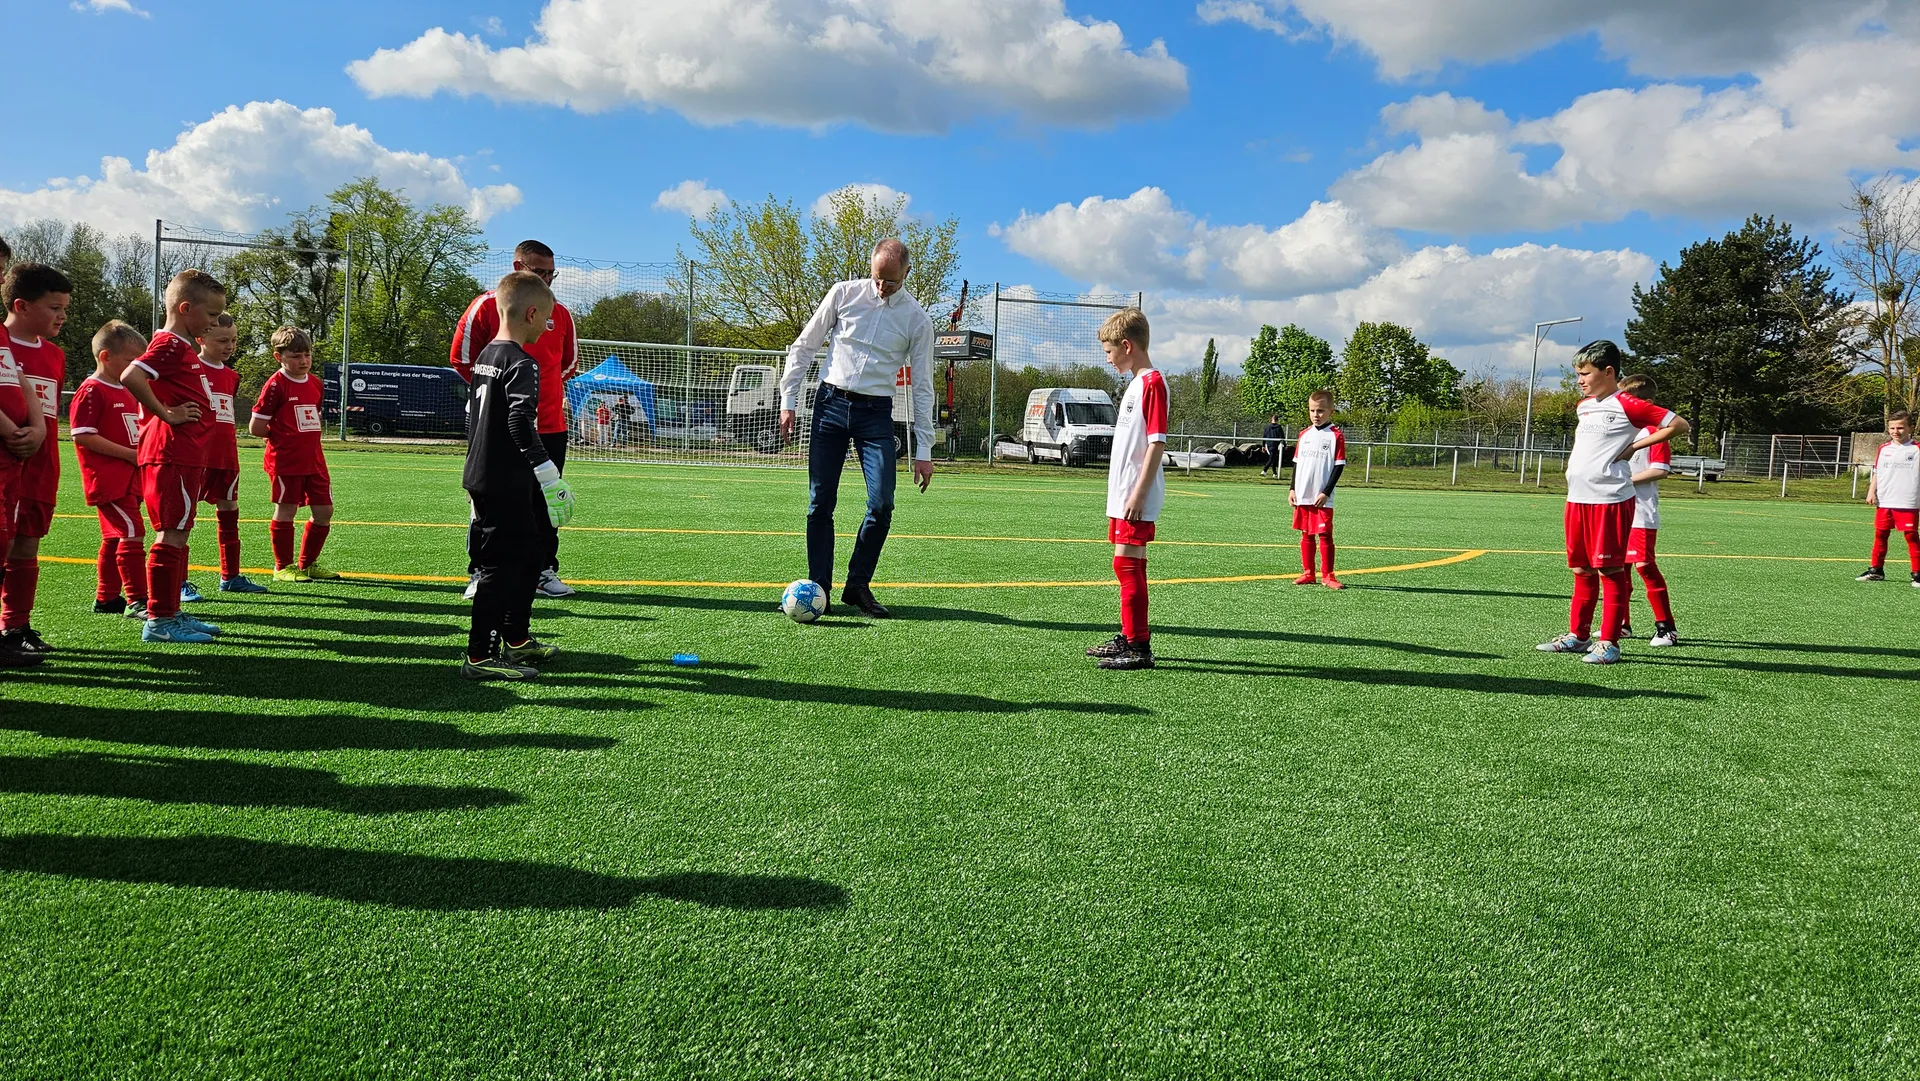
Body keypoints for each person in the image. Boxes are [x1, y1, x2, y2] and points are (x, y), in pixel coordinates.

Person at [778, 238, 935, 618]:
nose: (882, 288)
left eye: (891, 282)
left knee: (882, 503)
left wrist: (924, 450)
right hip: (829, 406)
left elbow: (922, 386)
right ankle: (819, 588)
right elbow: (804, 346)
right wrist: (788, 400)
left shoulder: (917, 320)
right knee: (820, 502)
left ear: (907, 273)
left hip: (876, 415)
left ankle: (857, 585)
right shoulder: (843, 294)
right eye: (877, 278)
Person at [1537, 341, 1688, 665]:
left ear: (1608, 372)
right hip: (1577, 499)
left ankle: (1609, 642)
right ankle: (1578, 636)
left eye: (1585, 373)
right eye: (1578, 374)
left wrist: (1635, 447)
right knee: (1581, 569)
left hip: (1610, 500)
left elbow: (1679, 425)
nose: (1580, 380)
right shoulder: (1584, 406)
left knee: (1610, 569)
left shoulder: (1628, 404)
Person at [461, 270, 575, 681]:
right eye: (546, 319)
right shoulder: (523, 363)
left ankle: (516, 638)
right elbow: (519, 422)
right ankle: (480, 656)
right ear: (531, 314)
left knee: (530, 555)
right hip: (503, 479)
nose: (547, 327)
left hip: (488, 474)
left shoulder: (486, 357)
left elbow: (475, 420)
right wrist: (549, 475)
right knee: (501, 567)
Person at [452, 240, 578, 599]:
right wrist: (498, 398)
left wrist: (538, 392)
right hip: (495, 428)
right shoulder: (485, 306)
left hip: (549, 425)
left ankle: (542, 570)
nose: (546, 279)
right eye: (538, 272)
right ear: (517, 267)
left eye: (551, 273)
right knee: (489, 501)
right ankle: (482, 571)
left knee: (546, 502)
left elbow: (567, 364)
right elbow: (463, 359)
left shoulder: (560, 313)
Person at [120, 269, 228, 644]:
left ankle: (171, 611)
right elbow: (131, 376)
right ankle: (159, 620)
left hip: (185, 455)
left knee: (179, 532)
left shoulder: (182, 346)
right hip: (171, 454)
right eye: (211, 315)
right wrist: (166, 413)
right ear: (185, 309)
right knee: (171, 533)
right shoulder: (169, 344)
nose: (214, 322)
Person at [1084, 308, 1166, 671]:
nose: (1107, 358)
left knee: (1127, 564)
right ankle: (1131, 637)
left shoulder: (1153, 384)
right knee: (1128, 564)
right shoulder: (1135, 384)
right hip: (1123, 493)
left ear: (1127, 345)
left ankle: (1139, 648)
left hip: (1136, 495)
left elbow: (1156, 443)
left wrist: (1138, 493)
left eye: (1109, 351)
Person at [0, 263, 69, 658]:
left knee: (27, 544)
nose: (62, 316)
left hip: (42, 464)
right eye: (54, 308)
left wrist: (39, 433)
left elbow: (46, 412)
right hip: (7, 461)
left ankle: (16, 626)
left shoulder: (55, 355)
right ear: (21, 306)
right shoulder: (2, 344)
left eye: (65, 309)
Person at [69, 321, 152, 620]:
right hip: (107, 479)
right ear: (105, 357)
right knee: (132, 532)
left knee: (115, 537)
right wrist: (130, 455)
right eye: (131, 360)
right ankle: (138, 600)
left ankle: (106, 597)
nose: (136, 367)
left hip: (130, 478)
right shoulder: (92, 390)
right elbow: (83, 435)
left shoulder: (128, 389)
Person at [248, 328, 335, 582]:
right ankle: (283, 567)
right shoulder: (275, 385)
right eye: (296, 356)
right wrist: (283, 438)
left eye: (307, 355)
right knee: (286, 509)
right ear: (279, 357)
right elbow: (256, 427)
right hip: (285, 461)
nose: (304, 361)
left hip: (314, 460)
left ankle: (307, 564)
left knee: (324, 511)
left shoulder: (316, 383)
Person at [189, 313, 268, 595]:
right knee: (183, 519)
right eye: (222, 340)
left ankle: (231, 576)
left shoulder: (231, 376)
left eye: (233, 340)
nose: (230, 346)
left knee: (229, 512)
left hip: (226, 457)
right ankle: (179, 582)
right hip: (195, 456)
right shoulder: (190, 369)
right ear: (201, 338)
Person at [0, 235, 43, 667]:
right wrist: (10, 427)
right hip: (9, 448)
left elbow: (19, 379)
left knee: (10, 541)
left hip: (14, 459)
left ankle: (12, 629)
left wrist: (39, 426)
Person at [1617, 373, 1677, 646]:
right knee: (1618, 569)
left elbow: (1660, 470)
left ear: (1647, 404)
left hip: (1641, 512)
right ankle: (1621, 624)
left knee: (1644, 566)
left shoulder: (1655, 432)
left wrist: (1625, 481)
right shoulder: (1623, 431)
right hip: (1617, 509)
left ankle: (1667, 628)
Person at [1289, 389, 1346, 590]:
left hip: (1322, 497)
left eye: (1320, 411)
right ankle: (1308, 573)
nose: (1316, 415)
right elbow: (1296, 463)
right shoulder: (1304, 435)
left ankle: (1328, 575)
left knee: (1325, 534)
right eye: (1312, 410)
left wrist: (1326, 492)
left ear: (1331, 411)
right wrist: (1292, 489)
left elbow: (1339, 466)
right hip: (1303, 494)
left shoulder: (1336, 436)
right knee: (1306, 533)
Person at [1857, 410, 1920, 587]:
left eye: (1900, 428)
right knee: (1880, 534)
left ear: (1910, 428)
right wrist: (1871, 491)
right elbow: (1877, 472)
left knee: (1911, 536)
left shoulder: (1916, 449)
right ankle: (1876, 570)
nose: (1895, 431)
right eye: (1892, 428)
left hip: (1908, 501)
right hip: (1885, 500)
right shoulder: (1883, 449)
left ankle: (1917, 574)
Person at [1260, 413, 1286, 478]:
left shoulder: (1267, 427)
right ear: (1277, 420)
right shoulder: (1279, 427)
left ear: (1272, 419)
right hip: (1275, 445)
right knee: (1272, 458)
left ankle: (1275, 473)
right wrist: (1284, 445)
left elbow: (1264, 436)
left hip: (1268, 445)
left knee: (1272, 458)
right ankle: (1264, 470)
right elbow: (1282, 436)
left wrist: (1263, 445)